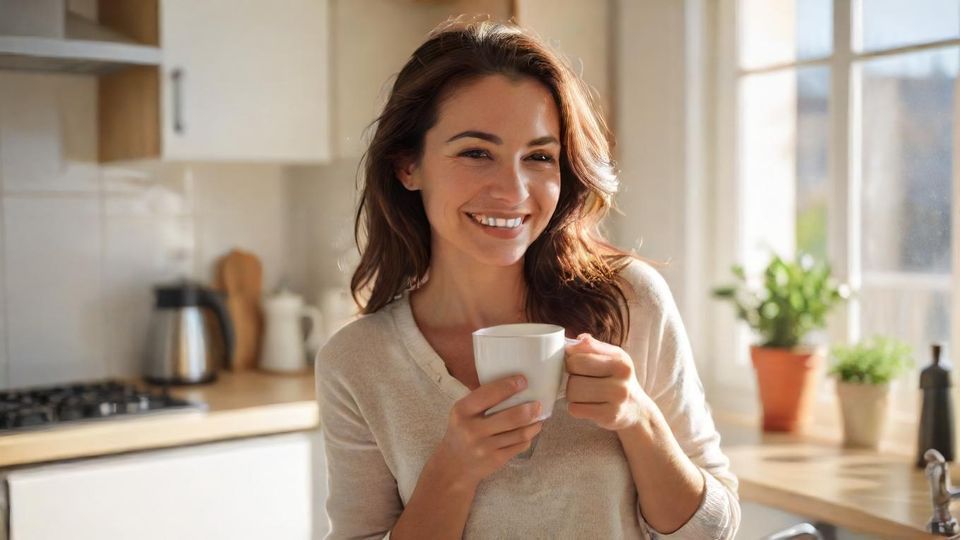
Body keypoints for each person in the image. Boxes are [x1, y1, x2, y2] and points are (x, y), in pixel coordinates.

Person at [316, 19, 741, 539]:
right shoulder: (357, 363)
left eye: (539, 157)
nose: (514, 190)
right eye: (476, 152)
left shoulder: (631, 302)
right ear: (408, 166)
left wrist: (639, 418)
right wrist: (453, 470)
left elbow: (714, 530)